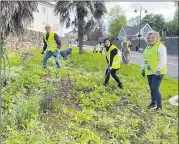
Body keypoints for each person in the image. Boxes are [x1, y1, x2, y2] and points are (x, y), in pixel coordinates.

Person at [141, 31, 167, 111]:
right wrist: (142, 68)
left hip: (158, 72)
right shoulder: (147, 47)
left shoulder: (160, 46)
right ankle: (153, 103)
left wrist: (158, 70)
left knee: (155, 88)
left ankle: (159, 106)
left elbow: (163, 59)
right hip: (149, 71)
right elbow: (144, 59)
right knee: (151, 88)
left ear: (157, 38)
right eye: (149, 38)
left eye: (153, 37)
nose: (150, 39)